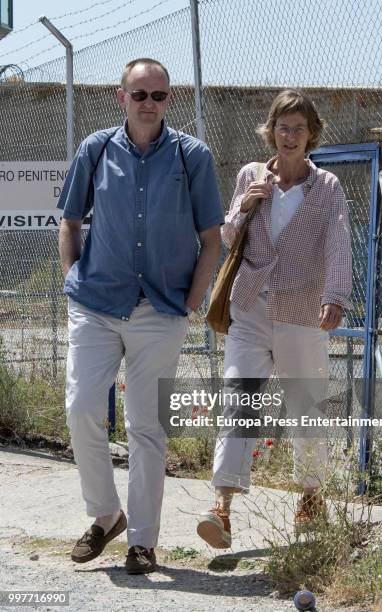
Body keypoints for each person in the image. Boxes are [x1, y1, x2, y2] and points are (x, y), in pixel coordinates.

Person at [58, 57, 223, 573]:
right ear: (120, 96)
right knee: (82, 407)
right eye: (139, 94)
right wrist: (72, 281)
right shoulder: (96, 148)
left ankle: (144, 542)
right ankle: (106, 515)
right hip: (97, 304)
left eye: (159, 95)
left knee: (146, 426)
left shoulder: (192, 155)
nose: (149, 104)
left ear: (169, 99)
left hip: (161, 310)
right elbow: (69, 221)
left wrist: (192, 301)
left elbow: (211, 239)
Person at [197, 89, 352, 548]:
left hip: (303, 311)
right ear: (271, 130)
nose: (289, 136)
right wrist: (245, 205)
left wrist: (335, 295)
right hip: (250, 307)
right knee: (238, 402)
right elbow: (226, 236)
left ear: (311, 136)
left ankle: (310, 495)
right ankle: (221, 506)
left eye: (298, 129)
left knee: (307, 408)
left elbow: (338, 243)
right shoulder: (250, 174)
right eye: (282, 127)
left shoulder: (327, 188)